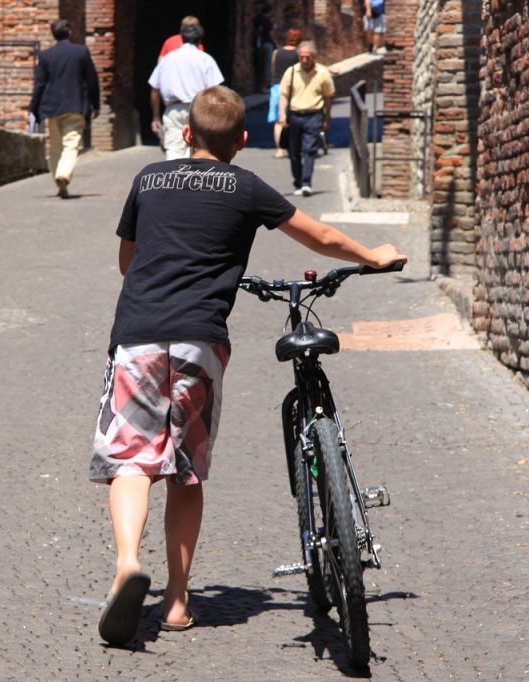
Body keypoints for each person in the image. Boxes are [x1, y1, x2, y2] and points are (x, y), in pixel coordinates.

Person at [91, 85, 407, 646]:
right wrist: (373, 255)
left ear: (186, 134)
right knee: (185, 471)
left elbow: (127, 260)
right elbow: (322, 236)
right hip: (201, 342)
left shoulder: (148, 180)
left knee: (131, 463)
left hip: (138, 336)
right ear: (242, 139)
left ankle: (125, 565)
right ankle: (178, 602)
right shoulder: (246, 185)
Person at [28, 19, 100, 199]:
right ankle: (64, 174)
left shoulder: (46, 56)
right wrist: (95, 104)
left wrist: (34, 109)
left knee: (55, 148)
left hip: (52, 108)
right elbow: (92, 80)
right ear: (69, 32)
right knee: (71, 144)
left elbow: (39, 84)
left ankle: (60, 181)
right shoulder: (81, 52)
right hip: (75, 106)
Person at [148, 21, 224, 160]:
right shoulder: (206, 59)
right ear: (200, 40)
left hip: (173, 109)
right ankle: (193, 180)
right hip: (200, 109)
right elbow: (216, 90)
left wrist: (156, 116)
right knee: (199, 149)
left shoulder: (168, 59)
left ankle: (174, 180)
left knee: (174, 149)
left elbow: (154, 88)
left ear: (181, 38)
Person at [278, 41, 334, 196]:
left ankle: (306, 183)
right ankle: (298, 181)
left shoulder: (322, 73)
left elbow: (329, 96)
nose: (304, 60)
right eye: (301, 57)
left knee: (309, 150)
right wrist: (282, 114)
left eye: (307, 57)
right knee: (294, 152)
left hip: (314, 115)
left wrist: (327, 116)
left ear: (313, 57)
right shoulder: (291, 72)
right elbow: (283, 94)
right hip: (295, 115)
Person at [268, 28, 302, 159]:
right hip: (293, 88)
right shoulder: (298, 54)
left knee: (278, 120)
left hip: (277, 87)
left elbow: (273, 69)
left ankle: (279, 150)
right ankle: (293, 147)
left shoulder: (277, 52)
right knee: (293, 118)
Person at [253, 4, 276, 90]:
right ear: (269, 12)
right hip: (266, 45)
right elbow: (270, 34)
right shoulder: (267, 21)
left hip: (257, 46)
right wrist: (274, 43)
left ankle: (260, 86)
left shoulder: (256, 19)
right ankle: (266, 86)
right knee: (267, 67)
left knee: (259, 67)